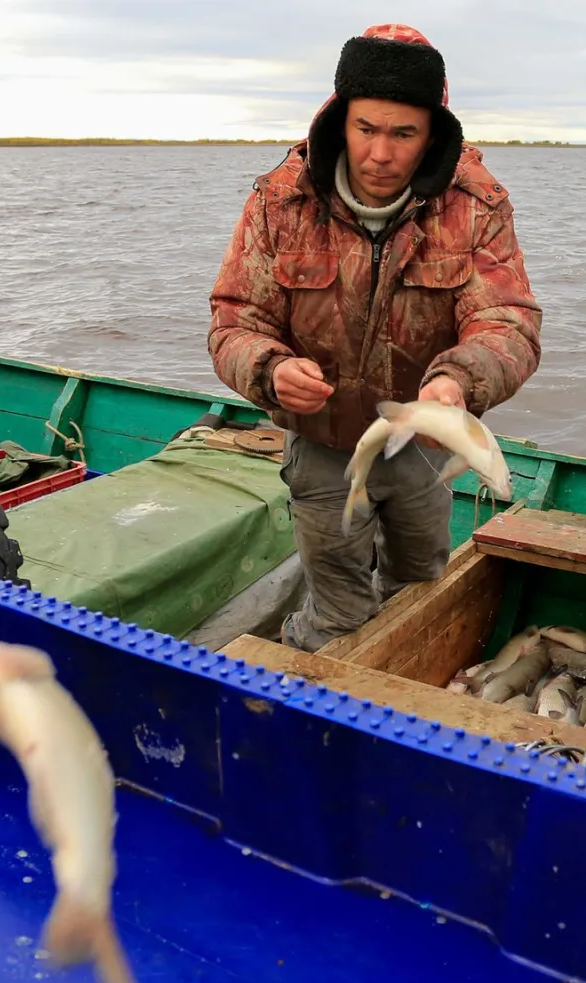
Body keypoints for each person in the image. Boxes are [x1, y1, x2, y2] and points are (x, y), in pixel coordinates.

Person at [208, 23, 542, 652]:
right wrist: (269, 371)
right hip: (322, 444)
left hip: (421, 444)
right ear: (341, 121)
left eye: (403, 134)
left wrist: (458, 380)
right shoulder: (279, 201)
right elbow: (234, 321)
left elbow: (508, 321)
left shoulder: (475, 206)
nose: (380, 155)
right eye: (367, 129)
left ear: (432, 133)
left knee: (420, 592)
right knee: (339, 613)